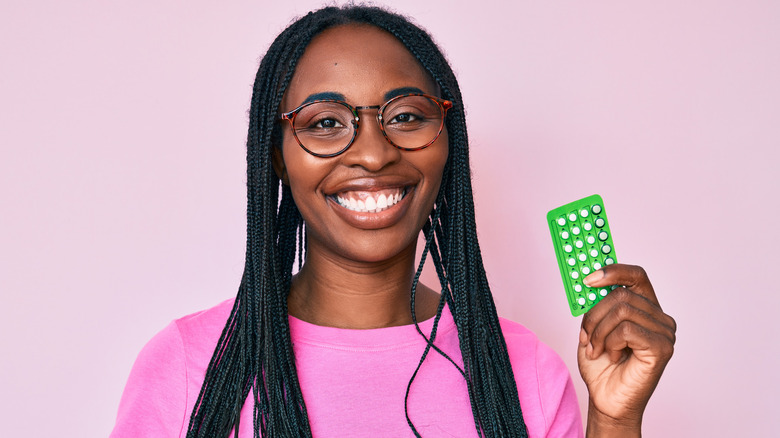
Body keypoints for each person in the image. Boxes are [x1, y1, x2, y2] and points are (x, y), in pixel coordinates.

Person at [111, 5, 676, 438]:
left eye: (406, 116)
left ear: (446, 143)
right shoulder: (189, 365)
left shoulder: (523, 372)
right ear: (278, 156)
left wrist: (614, 420)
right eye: (326, 122)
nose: (375, 153)